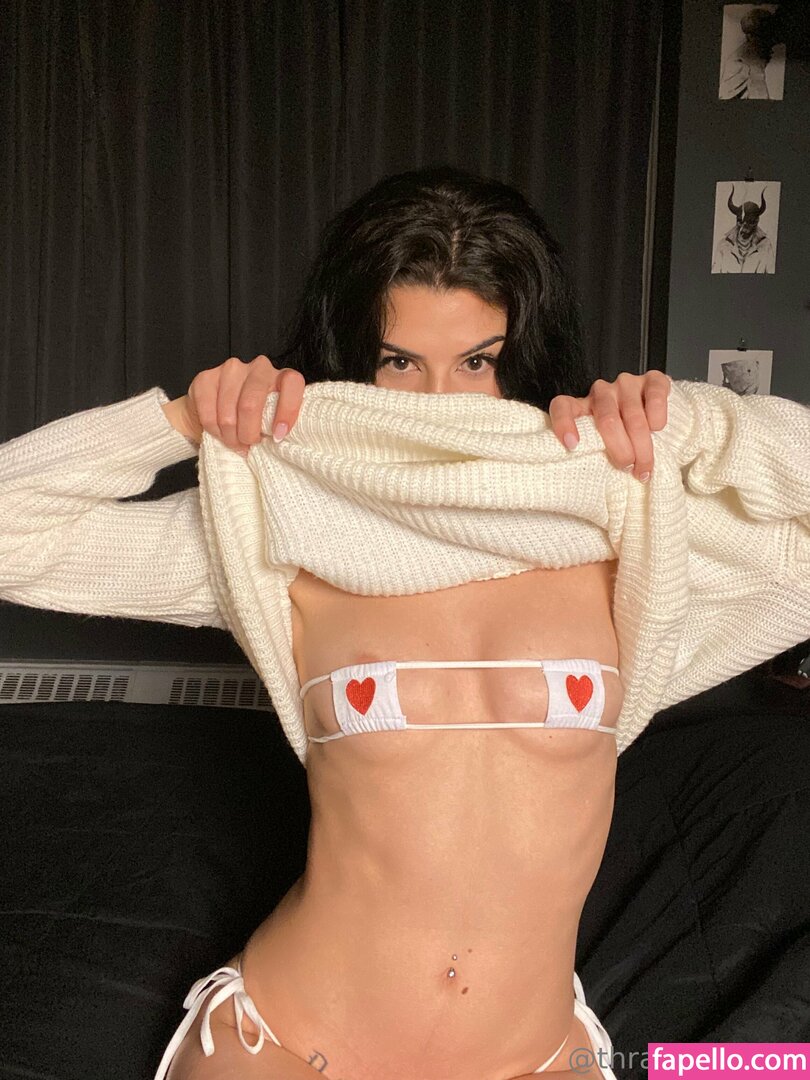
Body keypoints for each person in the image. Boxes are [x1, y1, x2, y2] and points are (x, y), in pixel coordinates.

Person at [3, 166, 808, 1080]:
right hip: (289, 1043)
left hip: (534, 1055)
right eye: (399, 362)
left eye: (477, 362)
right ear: (355, 361)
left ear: (526, 360)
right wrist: (178, 420)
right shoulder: (286, 524)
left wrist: (702, 427)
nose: (436, 406)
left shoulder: (621, 523)